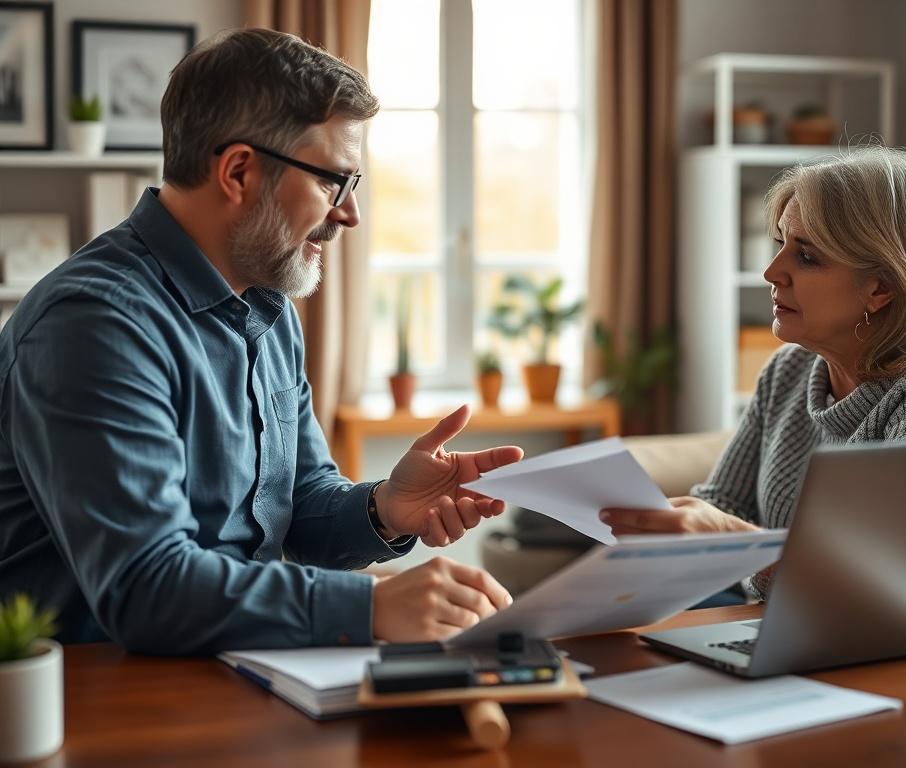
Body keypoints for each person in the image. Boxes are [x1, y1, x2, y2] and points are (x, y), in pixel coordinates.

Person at [0, 28, 523, 653]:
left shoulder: (269, 308)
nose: (350, 213)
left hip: (236, 671)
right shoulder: (95, 324)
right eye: (334, 181)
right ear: (239, 171)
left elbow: (296, 507)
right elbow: (145, 588)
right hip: (103, 698)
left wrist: (384, 508)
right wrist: (373, 605)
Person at [601, 146, 906, 597]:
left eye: (807, 257)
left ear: (882, 287)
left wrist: (729, 539)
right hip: (771, 629)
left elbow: (890, 575)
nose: (772, 272)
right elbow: (725, 502)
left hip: (875, 656)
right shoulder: (789, 370)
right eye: (781, 245)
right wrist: (667, 529)